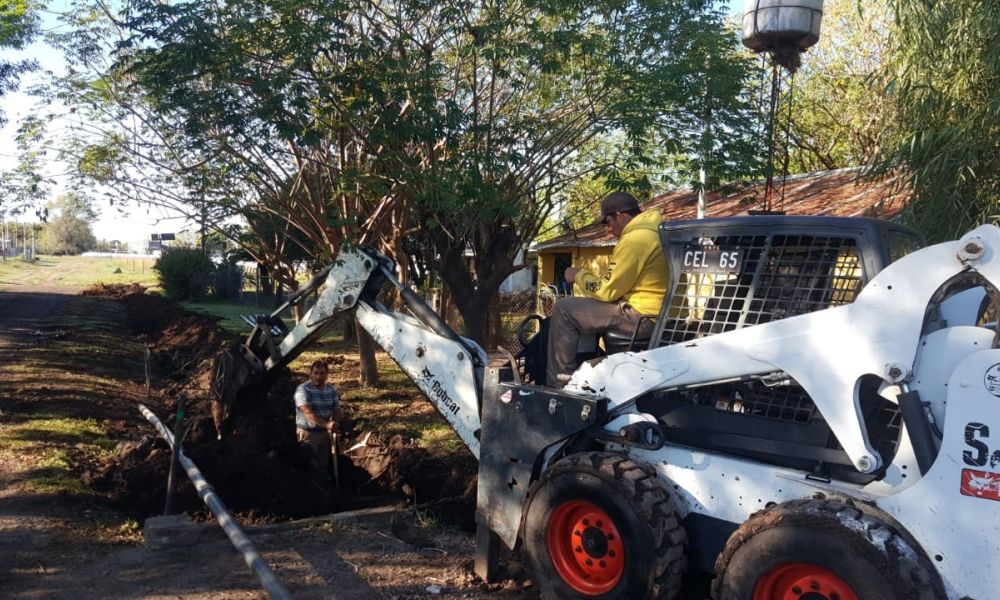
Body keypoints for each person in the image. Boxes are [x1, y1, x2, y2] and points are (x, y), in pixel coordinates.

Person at [546, 191, 669, 387]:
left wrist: (577, 275)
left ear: (620, 215)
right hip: (660, 316)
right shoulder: (658, 232)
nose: (609, 230)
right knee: (583, 309)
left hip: (641, 317)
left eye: (608, 222)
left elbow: (607, 290)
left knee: (564, 308)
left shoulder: (636, 240)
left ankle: (559, 385)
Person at [294, 360, 342, 477]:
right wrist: (326, 424)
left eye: (321, 373)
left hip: (325, 434)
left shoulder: (331, 390)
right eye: (315, 373)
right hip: (308, 434)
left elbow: (336, 409)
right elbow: (307, 412)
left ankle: (324, 489)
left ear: (327, 374)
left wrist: (334, 422)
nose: (318, 377)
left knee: (322, 465)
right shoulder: (303, 390)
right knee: (309, 466)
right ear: (311, 373)